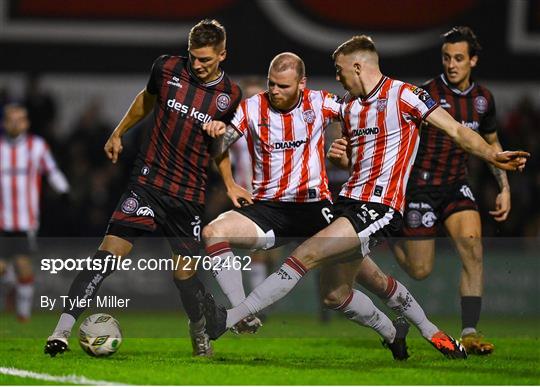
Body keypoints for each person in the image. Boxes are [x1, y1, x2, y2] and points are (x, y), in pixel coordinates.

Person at [201, 36, 528, 359]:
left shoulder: (404, 95)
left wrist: (491, 155)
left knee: (305, 254)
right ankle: (419, 331)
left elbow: (456, 130)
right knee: (336, 293)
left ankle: (229, 318)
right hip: (346, 204)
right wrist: (341, 157)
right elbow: (355, 159)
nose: (339, 78)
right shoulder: (351, 107)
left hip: (380, 206)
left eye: (340, 71)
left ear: (357, 67)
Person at [44, 19, 249, 358]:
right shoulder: (166, 68)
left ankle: (199, 330)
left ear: (222, 55)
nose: (196, 65)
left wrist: (228, 183)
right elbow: (146, 99)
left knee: (184, 278)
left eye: (205, 60)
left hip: (188, 195)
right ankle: (62, 329)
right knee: (105, 258)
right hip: (148, 184)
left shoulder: (231, 97)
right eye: (193, 57)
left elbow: (220, 146)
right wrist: (118, 132)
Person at [392, 26, 511, 355]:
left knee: (474, 252)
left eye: (458, 58)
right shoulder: (426, 94)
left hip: (457, 186)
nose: (451, 64)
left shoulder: (483, 100)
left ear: (472, 60)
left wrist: (504, 187)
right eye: (446, 58)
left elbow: (491, 142)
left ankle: (470, 331)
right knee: (420, 270)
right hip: (421, 188)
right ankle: (390, 238)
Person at [0, 104, 69, 322]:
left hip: (26, 220)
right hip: (1, 220)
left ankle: (23, 315)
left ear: (26, 123)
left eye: (19, 119)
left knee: (23, 268)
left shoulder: (36, 146)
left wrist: (65, 191)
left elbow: (52, 170)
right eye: (11, 119)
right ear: (4, 122)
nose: (15, 123)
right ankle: (13, 293)